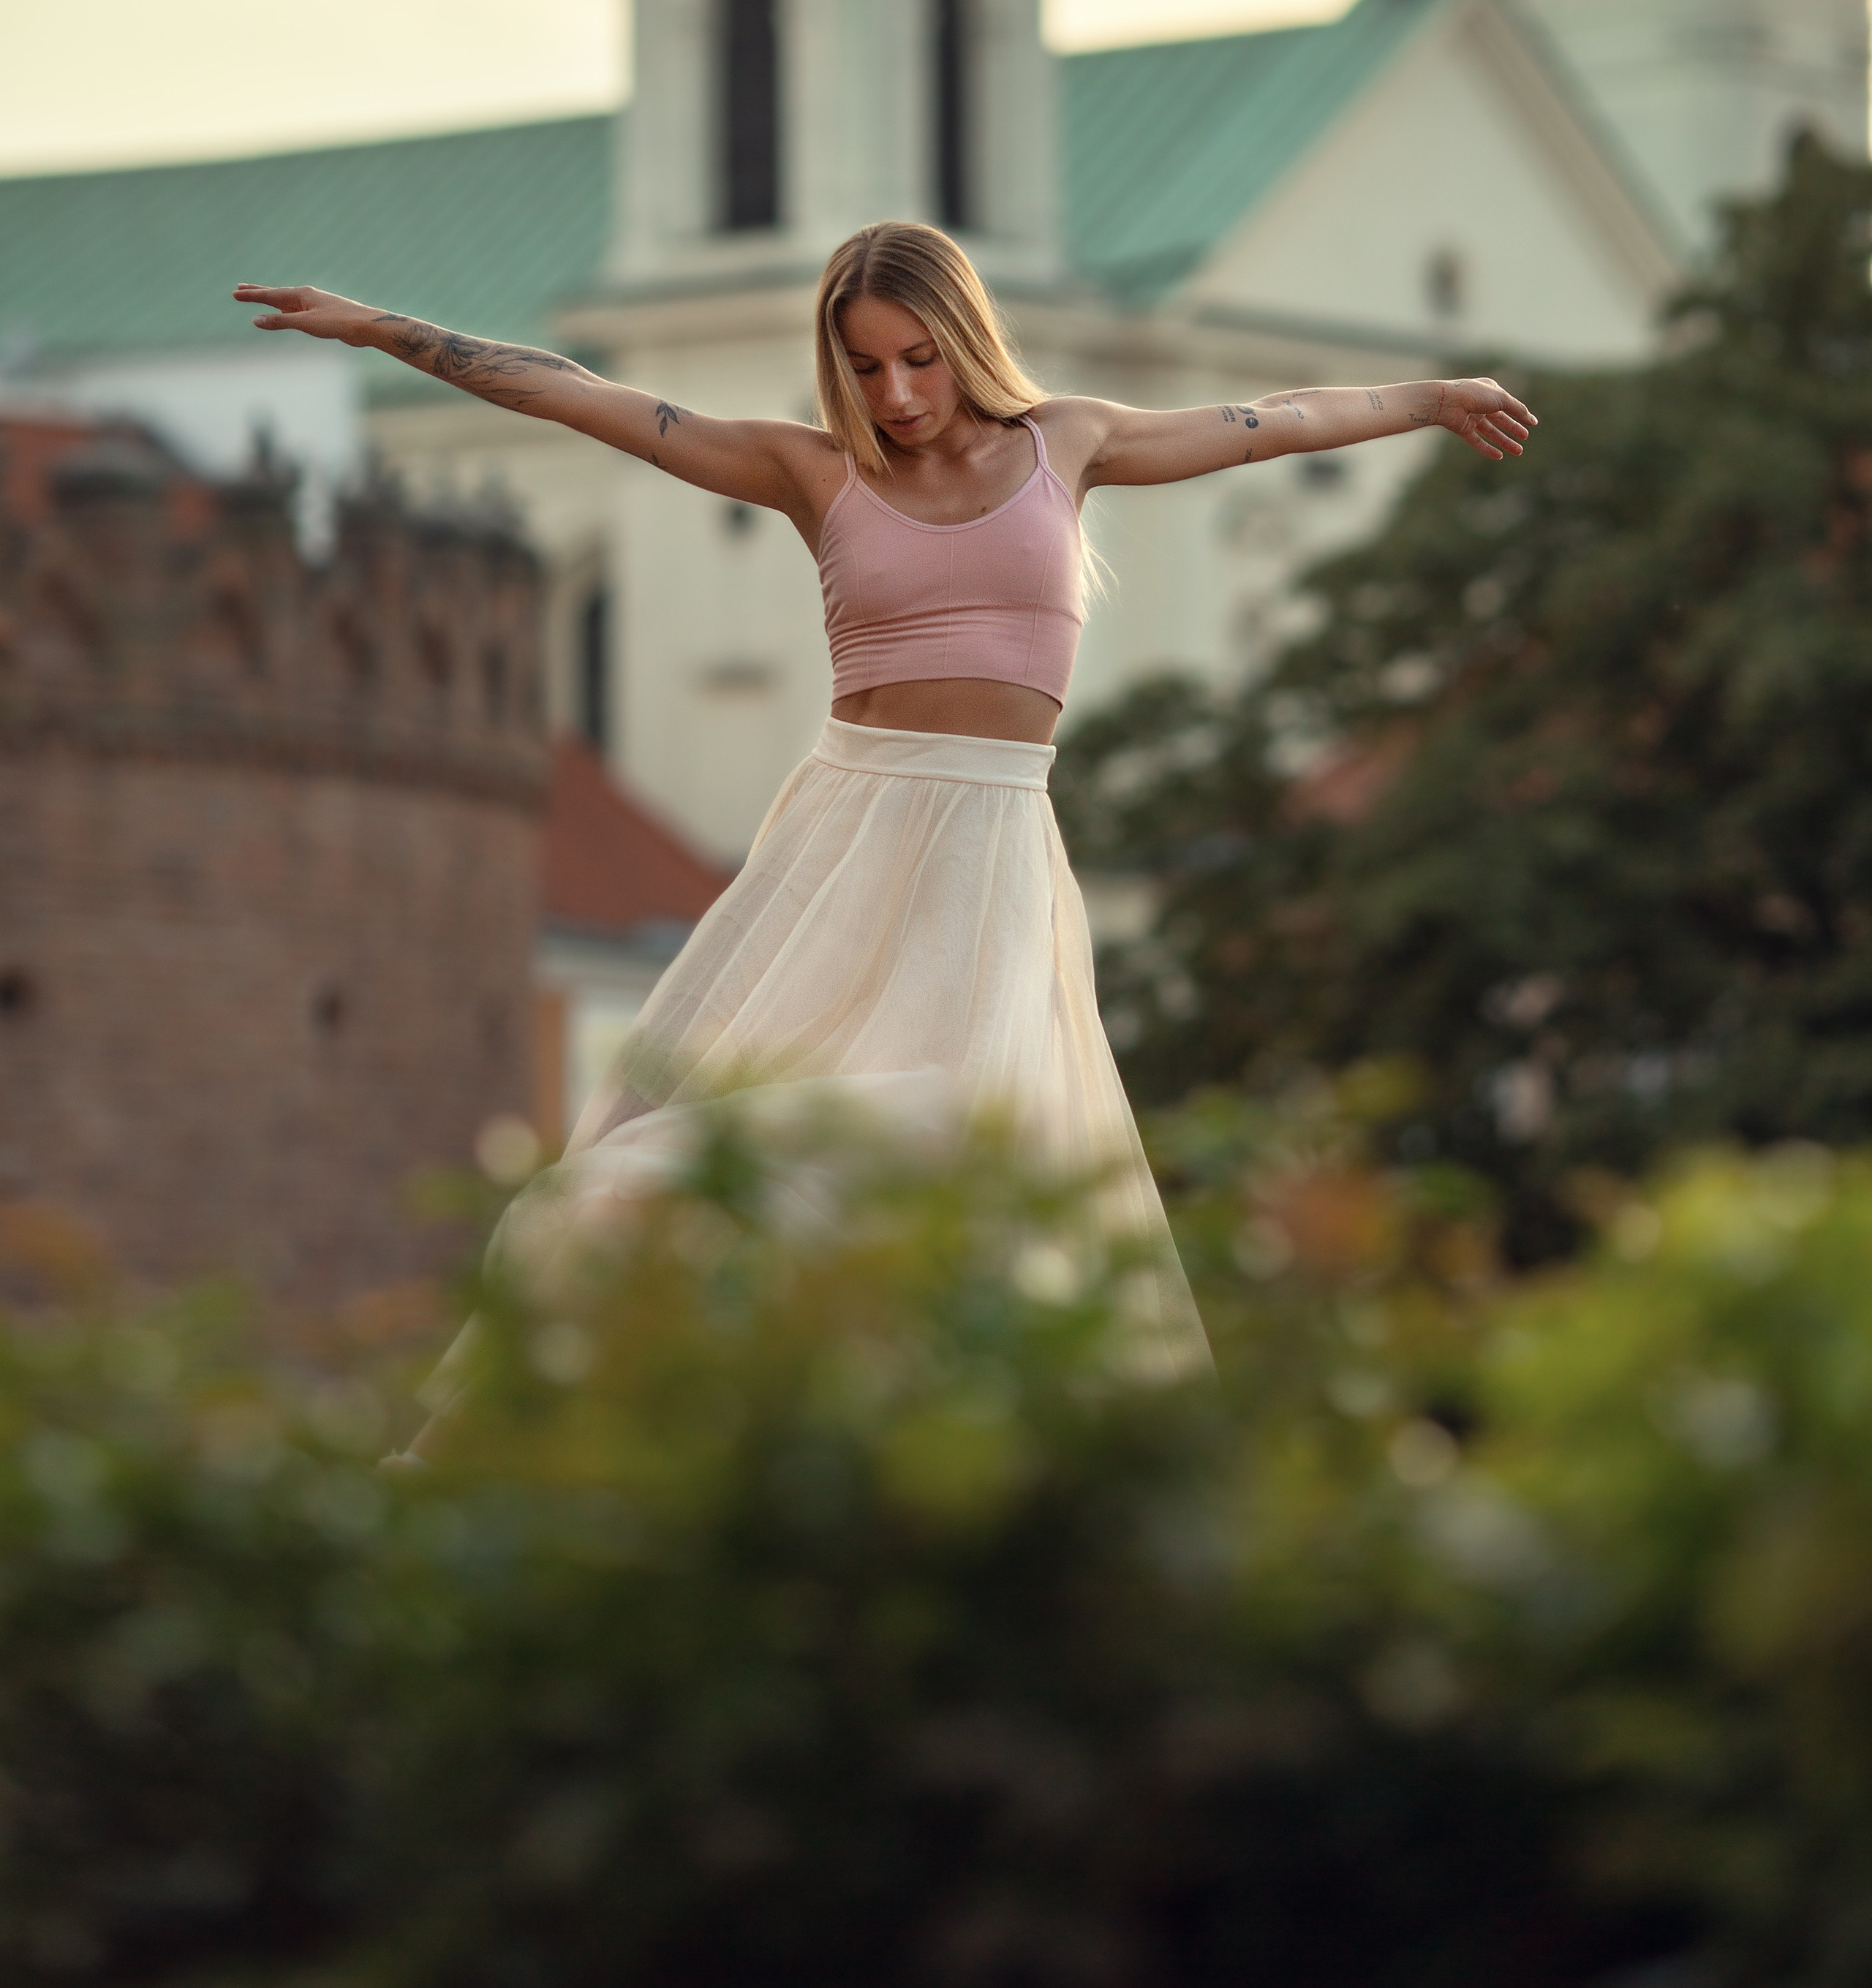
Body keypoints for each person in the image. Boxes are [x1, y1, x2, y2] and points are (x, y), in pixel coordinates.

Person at [237, 224, 1534, 1383]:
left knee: (980, 1156)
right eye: (863, 368)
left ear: (964, 338)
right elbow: (585, 395)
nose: (897, 394)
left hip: (999, 846)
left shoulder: (1069, 442)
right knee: (680, 1145)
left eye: (918, 359)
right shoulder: (812, 472)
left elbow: (1277, 417)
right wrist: (382, 330)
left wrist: (1430, 398)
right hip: (848, 836)